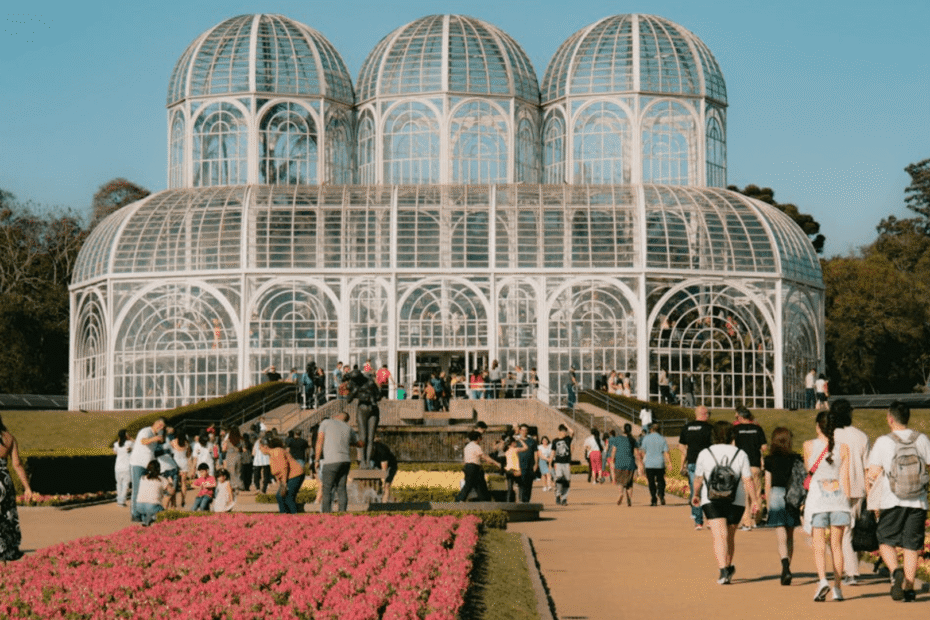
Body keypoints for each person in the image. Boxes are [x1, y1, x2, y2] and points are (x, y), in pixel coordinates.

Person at [865, 400, 930, 602]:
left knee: (885, 539)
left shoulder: (884, 441)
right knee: (912, 544)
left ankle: (895, 572)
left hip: (892, 499)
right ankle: (910, 588)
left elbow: (872, 473)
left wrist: (870, 496)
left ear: (890, 419)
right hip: (918, 501)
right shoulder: (922, 439)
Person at [691, 420, 760, 585]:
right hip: (736, 499)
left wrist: (696, 494)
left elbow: (698, 478)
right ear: (732, 436)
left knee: (718, 535)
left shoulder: (705, 453)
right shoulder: (740, 453)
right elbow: (747, 479)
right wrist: (755, 500)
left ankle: (723, 570)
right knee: (729, 536)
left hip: (711, 498)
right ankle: (727, 567)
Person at [803, 410, 851, 601]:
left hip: (818, 500)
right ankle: (837, 587)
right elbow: (845, 478)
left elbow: (810, 470)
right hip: (839, 498)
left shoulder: (808, 445)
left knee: (819, 544)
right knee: (837, 546)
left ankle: (822, 580)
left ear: (818, 426)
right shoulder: (844, 448)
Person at [831, 399, 869, 586]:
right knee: (853, 530)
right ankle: (853, 567)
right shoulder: (861, 436)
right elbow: (868, 467)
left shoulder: (832, 436)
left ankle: (851, 572)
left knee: (844, 531)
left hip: (838, 488)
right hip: (859, 487)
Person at [763, 427, 802, 585]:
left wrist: (767, 502)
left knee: (780, 531)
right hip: (792, 495)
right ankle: (788, 567)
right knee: (790, 534)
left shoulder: (769, 460)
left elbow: (767, 483)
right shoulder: (796, 458)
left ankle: (784, 563)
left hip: (777, 494)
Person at [315, 411, 364, 513]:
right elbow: (358, 444)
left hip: (331, 461)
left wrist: (316, 459)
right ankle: (342, 513)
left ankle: (326, 514)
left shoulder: (326, 423)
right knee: (341, 489)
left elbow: (320, 441)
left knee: (327, 490)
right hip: (345, 461)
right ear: (346, 419)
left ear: (336, 416)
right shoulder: (349, 428)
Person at [0, 414, 32, 560]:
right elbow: (17, 465)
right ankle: (8, 548)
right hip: (4, 481)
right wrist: (27, 488)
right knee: (7, 514)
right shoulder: (9, 438)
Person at [679, 406, 714, 529]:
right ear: (704, 414)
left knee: (695, 491)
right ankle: (710, 519)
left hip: (693, 462)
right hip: (707, 462)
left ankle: (698, 521)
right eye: (708, 414)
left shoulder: (687, 427)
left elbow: (681, 445)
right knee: (709, 491)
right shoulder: (709, 428)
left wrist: (686, 454)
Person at [733, 407, 767, 530]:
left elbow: (733, 447)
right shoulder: (757, 429)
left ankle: (746, 521)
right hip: (755, 464)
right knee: (757, 493)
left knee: (744, 495)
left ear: (741, 417)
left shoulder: (735, 430)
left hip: (742, 466)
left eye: (736, 417)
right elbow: (764, 447)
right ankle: (757, 520)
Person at [129, 417, 166, 523]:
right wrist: (155, 439)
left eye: (163, 426)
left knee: (145, 490)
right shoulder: (146, 431)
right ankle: (135, 514)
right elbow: (143, 441)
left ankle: (145, 514)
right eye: (159, 423)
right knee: (136, 489)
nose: (160, 426)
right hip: (137, 464)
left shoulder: (156, 435)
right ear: (155, 422)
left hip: (148, 465)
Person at [455, 431, 500, 502]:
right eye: (481, 438)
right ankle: (459, 499)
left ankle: (485, 499)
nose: (481, 440)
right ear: (478, 438)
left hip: (468, 467)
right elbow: (484, 457)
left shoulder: (467, 446)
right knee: (469, 485)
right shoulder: (476, 446)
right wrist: (496, 463)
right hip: (473, 467)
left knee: (479, 484)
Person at [264, 436, 305, 514]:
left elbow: (284, 468)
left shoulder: (277, 451)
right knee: (281, 496)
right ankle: (286, 515)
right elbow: (277, 471)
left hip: (295, 475)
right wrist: (280, 482)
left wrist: (284, 483)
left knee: (287, 497)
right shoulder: (273, 453)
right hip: (292, 475)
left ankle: (291, 515)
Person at [638, 424, 670, 506]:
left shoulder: (646, 438)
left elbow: (642, 451)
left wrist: (641, 462)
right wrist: (669, 463)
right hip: (659, 463)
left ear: (651, 430)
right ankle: (661, 494)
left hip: (649, 463)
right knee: (660, 480)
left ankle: (653, 498)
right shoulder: (662, 439)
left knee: (651, 482)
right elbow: (666, 452)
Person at [608, 423, 639, 507]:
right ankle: (629, 497)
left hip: (619, 463)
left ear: (623, 430)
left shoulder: (617, 439)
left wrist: (612, 460)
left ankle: (621, 494)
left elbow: (614, 451)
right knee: (629, 483)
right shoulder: (633, 440)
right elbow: (636, 453)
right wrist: (639, 463)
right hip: (630, 463)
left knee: (620, 482)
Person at [135, 460, 173, 526]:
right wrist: (170, 482)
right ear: (159, 469)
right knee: (167, 496)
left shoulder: (142, 478)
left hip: (139, 506)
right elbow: (171, 491)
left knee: (148, 513)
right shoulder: (162, 479)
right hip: (152, 507)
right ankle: (157, 519)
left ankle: (146, 521)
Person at [552, 424, 575, 505]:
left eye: (565, 431)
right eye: (563, 431)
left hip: (567, 463)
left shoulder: (568, 439)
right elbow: (553, 452)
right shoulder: (555, 441)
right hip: (558, 463)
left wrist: (566, 425)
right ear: (559, 431)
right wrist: (550, 462)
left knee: (567, 481)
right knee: (559, 480)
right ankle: (558, 495)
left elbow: (572, 432)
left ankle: (564, 498)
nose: (564, 433)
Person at [370, 436, 398, 503]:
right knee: (376, 483)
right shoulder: (367, 450)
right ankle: (377, 500)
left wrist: (383, 481)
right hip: (377, 464)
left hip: (391, 466)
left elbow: (384, 471)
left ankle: (384, 503)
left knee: (386, 485)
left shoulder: (382, 451)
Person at [515, 424, 539, 502]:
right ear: (520, 431)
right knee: (521, 483)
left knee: (529, 484)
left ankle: (527, 500)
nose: (524, 432)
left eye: (525, 430)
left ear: (527, 431)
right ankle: (521, 499)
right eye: (522, 430)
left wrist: (536, 463)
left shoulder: (532, 441)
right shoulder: (516, 441)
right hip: (520, 465)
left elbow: (535, 453)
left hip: (530, 465)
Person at [113, 429, 133, 507]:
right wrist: (131, 438)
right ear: (125, 435)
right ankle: (122, 501)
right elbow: (138, 445)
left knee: (119, 484)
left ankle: (119, 500)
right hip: (126, 467)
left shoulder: (116, 444)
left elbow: (115, 451)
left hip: (118, 467)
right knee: (125, 485)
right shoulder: (130, 443)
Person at [503, 437, 526, 502]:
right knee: (521, 485)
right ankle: (521, 500)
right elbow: (526, 447)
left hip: (508, 470)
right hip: (515, 470)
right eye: (515, 442)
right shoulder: (515, 449)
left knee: (510, 487)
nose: (516, 443)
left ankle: (508, 501)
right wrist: (520, 440)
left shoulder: (506, 451)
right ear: (512, 443)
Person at [170, 433, 191, 508]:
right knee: (183, 483)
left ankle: (174, 502)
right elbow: (188, 454)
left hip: (176, 462)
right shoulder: (186, 443)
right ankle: (183, 500)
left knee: (174, 483)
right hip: (184, 462)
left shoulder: (173, 442)